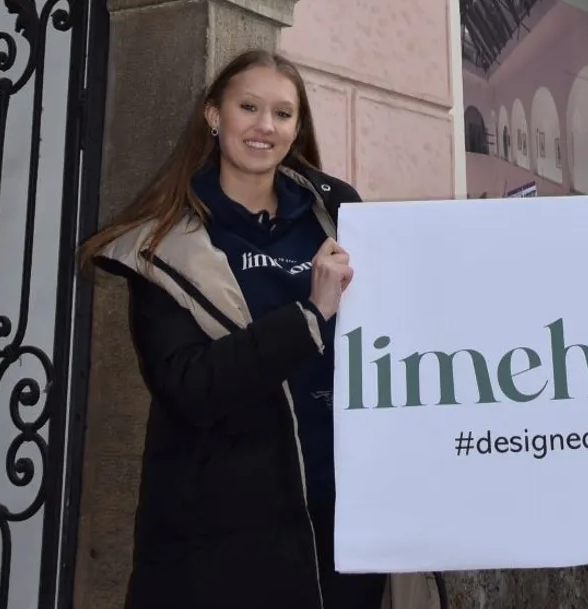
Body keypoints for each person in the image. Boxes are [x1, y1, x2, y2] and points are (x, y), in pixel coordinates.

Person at [78, 50, 442, 609]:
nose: (265, 126)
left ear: (297, 129)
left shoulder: (340, 217)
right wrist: (309, 317)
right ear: (214, 116)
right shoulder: (164, 245)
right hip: (229, 538)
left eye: (282, 113)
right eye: (248, 107)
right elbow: (188, 385)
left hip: (345, 516)